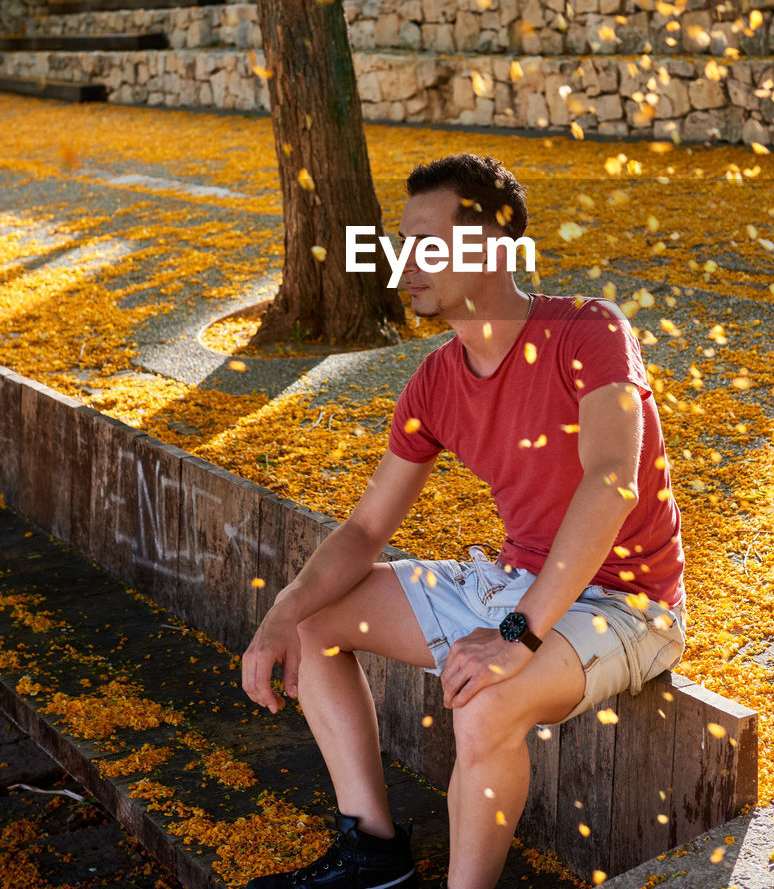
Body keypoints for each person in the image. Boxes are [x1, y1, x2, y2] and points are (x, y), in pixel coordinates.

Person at [241, 153, 686, 889]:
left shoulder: (588, 333)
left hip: (624, 603)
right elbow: (362, 532)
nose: (403, 262)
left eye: (427, 243)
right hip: (514, 582)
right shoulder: (435, 381)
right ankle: (375, 857)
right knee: (318, 629)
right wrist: (283, 611)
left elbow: (613, 483)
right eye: (400, 243)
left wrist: (517, 633)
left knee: (482, 705)